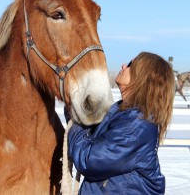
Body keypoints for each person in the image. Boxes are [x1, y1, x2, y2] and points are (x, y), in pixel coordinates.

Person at [68, 51, 175, 195]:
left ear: (142, 78)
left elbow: (89, 160)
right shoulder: (125, 115)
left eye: (131, 65)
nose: (123, 65)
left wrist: (76, 123)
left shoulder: (135, 126)